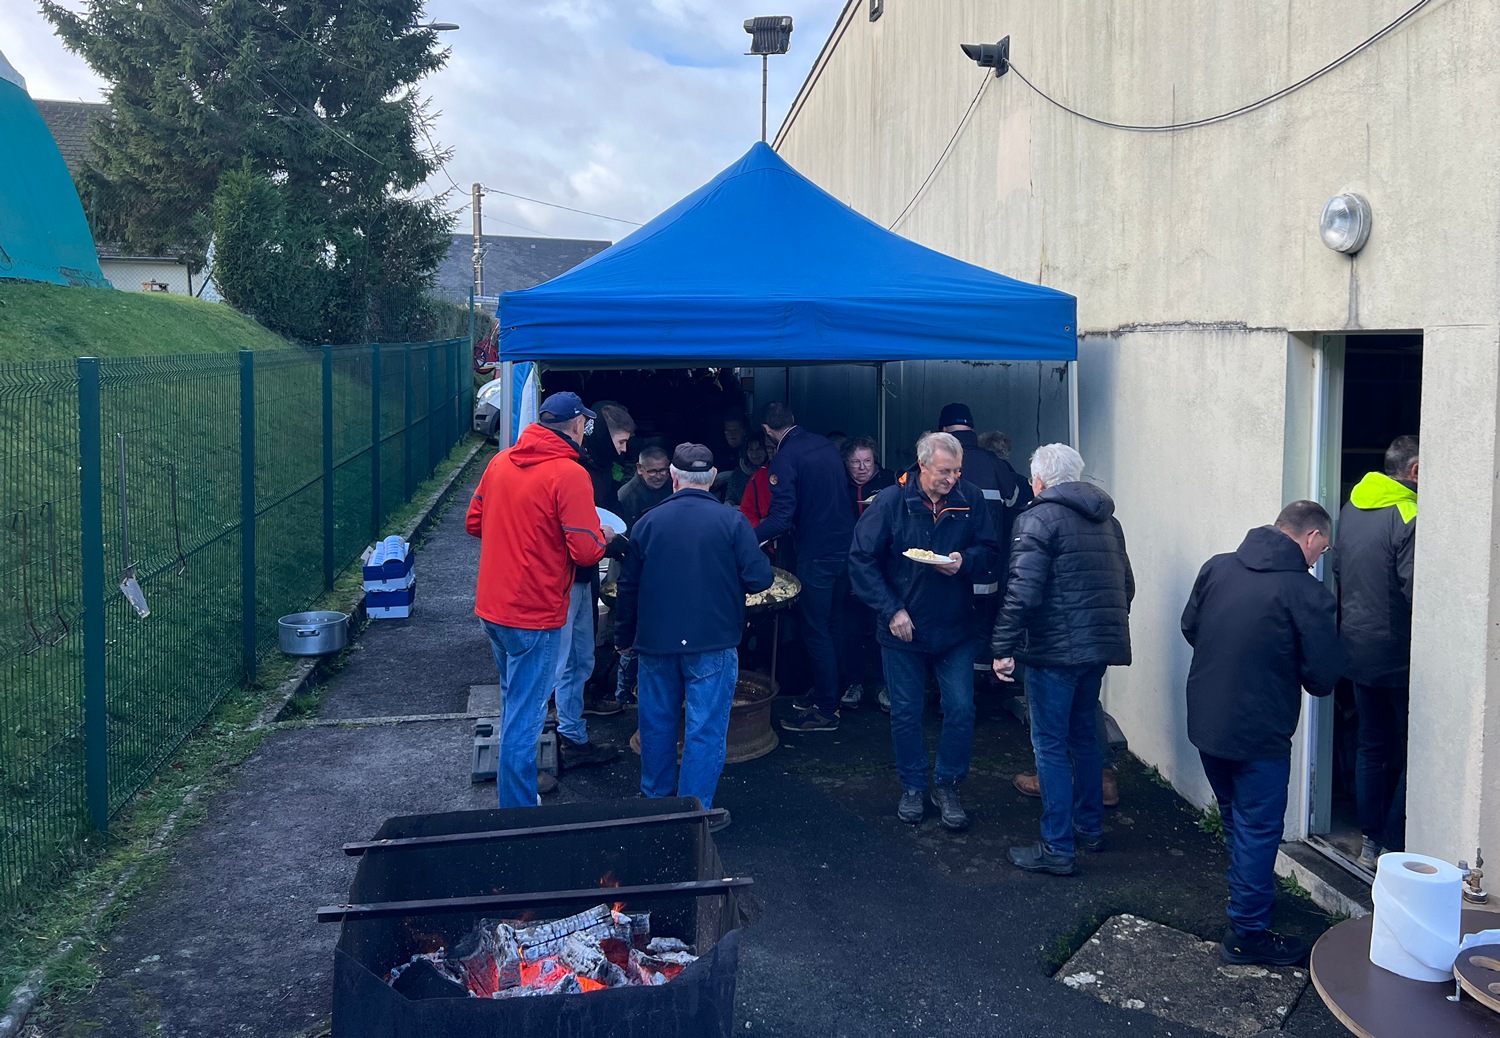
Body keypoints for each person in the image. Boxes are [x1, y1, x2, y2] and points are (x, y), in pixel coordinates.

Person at [1182, 501, 1344, 966]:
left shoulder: (1217, 568)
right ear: (1311, 537)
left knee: (1236, 817)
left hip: (1207, 722)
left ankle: (1246, 898)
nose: (1319, 558)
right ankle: (1246, 933)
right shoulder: (1306, 593)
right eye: (1322, 549)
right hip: (1260, 731)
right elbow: (1323, 677)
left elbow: (1191, 627)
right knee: (1257, 828)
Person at [614, 444, 774, 833]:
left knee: (656, 723)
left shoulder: (648, 523)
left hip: (656, 643)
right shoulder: (733, 523)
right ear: (713, 476)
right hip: (712, 642)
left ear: (673, 476)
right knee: (705, 729)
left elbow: (628, 587)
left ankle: (656, 803)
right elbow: (760, 579)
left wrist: (623, 636)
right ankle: (695, 812)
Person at [992, 444, 1133, 876]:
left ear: (1037, 480)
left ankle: (1057, 846)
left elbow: (1022, 591)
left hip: (1053, 650)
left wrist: (1002, 646)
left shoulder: (1037, 518)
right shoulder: (1108, 520)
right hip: (1098, 647)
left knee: (1050, 744)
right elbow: (1126, 585)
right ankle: (1089, 828)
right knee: (1085, 737)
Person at [467, 391, 613, 808]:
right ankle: (517, 811)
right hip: (535, 613)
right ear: (578, 426)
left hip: (492, 608)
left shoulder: (500, 462)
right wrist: (604, 535)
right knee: (526, 717)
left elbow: (474, 522)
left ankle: (518, 791)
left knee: (514, 702)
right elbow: (586, 551)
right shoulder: (569, 474)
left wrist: (516, 530)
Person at [849, 433, 999, 829]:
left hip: (956, 626)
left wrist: (964, 561)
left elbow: (991, 551)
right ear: (922, 466)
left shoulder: (970, 498)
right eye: (944, 471)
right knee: (905, 711)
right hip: (902, 627)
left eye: (957, 471)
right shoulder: (891, 502)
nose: (952, 479)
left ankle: (948, 784)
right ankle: (913, 786)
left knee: (961, 709)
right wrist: (891, 609)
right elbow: (861, 559)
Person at [1333, 434, 1418, 866]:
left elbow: (1337, 571)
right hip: (1398, 656)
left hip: (1355, 648)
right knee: (1414, 748)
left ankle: (1368, 843)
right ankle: (1393, 841)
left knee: (1371, 743)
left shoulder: (1350, 508)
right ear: (1416, 471)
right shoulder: (1409, 513)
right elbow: (1415, 589)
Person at [755, 401, 857, 732]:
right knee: (834, 623)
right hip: (845, 548)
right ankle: (832, 692)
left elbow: (781, 519)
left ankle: (826, 710)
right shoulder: (825, 446)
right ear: (793, 419)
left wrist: (745, 538)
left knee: (815, 629)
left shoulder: (785, 458)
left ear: (767, 430)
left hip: (817, 552)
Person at [550, 401, 635, 758]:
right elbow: (580, 534)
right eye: (621, 442)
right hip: (563, 578)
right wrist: (610, 542)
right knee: (559, 660)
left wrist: (626, 541)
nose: (625, 450)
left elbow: (610, 509)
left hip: (584, 576)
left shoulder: (599, 468)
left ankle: (572, 733)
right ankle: (543, 743)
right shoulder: (575, 471)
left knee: (581, 656)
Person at [838, 436, 895, 711]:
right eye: (855, 462)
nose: (862, 468)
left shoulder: (890, 483)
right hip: (849, 564)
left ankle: (884, 685)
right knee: (851, 626)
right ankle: (854, 682)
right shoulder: (839, 485)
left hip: (882, 565)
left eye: (867, 461)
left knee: (881, 626)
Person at [618, 446, 673, 527]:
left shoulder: (675, 485)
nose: (658, 477)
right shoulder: (626, 496)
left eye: (662, 470)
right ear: (639, 468)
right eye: (652, 471)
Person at [723, 435, 768, 511]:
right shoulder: (738, 474)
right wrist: (728, 504)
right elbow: (730, 498)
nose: (754, 454)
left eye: (759, 449)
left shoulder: (773, 471)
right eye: (751, 449)